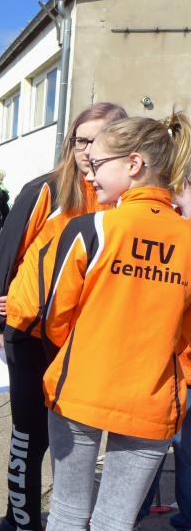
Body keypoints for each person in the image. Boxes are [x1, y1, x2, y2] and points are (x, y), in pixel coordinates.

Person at [41, 112, 191, 529]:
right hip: (152, 399)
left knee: (67, 512)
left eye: (97, 165)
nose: (89, 176)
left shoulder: (91, 228)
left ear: (134, 164)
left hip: (80, 390)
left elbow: (55, 318)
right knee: (116, 521)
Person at [0, 102, 128, 531]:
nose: (88, 151)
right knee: (30, 435)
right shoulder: (46, 190)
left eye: (99, 142)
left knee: (76, 439)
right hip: (30, 336)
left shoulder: (122, 198)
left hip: (85, 341)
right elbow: (6, 256)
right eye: (81, 140)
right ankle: (20, 520)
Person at [137, 175, 191, 527]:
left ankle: (130, 512)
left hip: (171, 367)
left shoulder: (179, 236)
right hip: (167, 365)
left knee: (150, 448)